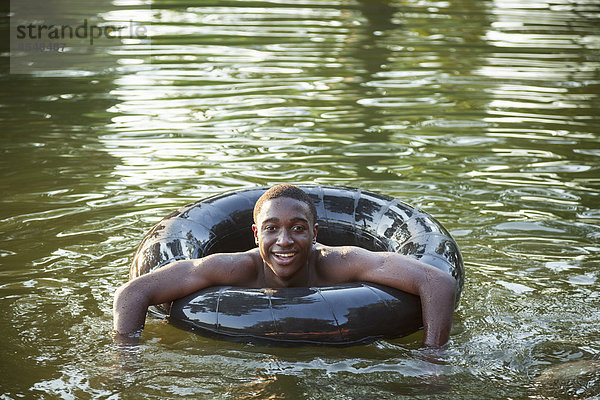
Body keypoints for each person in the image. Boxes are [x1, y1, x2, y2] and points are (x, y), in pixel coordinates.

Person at [113, 184, 457, 348]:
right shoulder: (237, 268)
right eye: (271, 228)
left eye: (297, 228)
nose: (284, 241)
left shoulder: (339, 263)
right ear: (255, 233)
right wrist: (126, 356)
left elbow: (437, 282)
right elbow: (134, 292)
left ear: (315, 232)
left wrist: (432, 359)